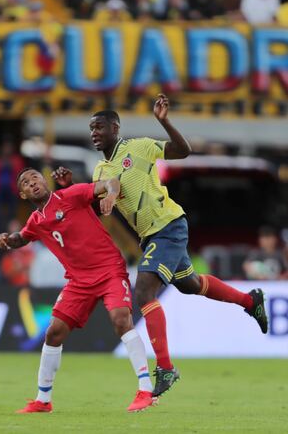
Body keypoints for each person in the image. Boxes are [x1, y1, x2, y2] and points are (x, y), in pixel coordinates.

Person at [53, 93, 268, 398]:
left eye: (99, 127)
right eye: (91, 129)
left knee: (143, 290)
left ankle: (165, 368)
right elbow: (93, 211)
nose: (94, 133)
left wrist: (164, 122)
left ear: (115, 127)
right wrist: (70, 189)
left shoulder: (139, 147)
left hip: (168, 225)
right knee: (191, 285)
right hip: (150, 236)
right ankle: (250, 301)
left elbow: (183, 150)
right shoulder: (100, 172)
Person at [0, 168, 154, 413]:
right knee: (53, 333)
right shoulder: (36, 222)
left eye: (35, 177)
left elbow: (110, 182)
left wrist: (111, 195)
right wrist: (6, 239)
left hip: (109, 269)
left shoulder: (71, 195)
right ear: (23, 195)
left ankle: (145, 390)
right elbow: (22, 238)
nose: (32, 183)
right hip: (78, 281)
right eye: (26, 183)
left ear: (44, 180)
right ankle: (43, 400)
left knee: (121, 319)